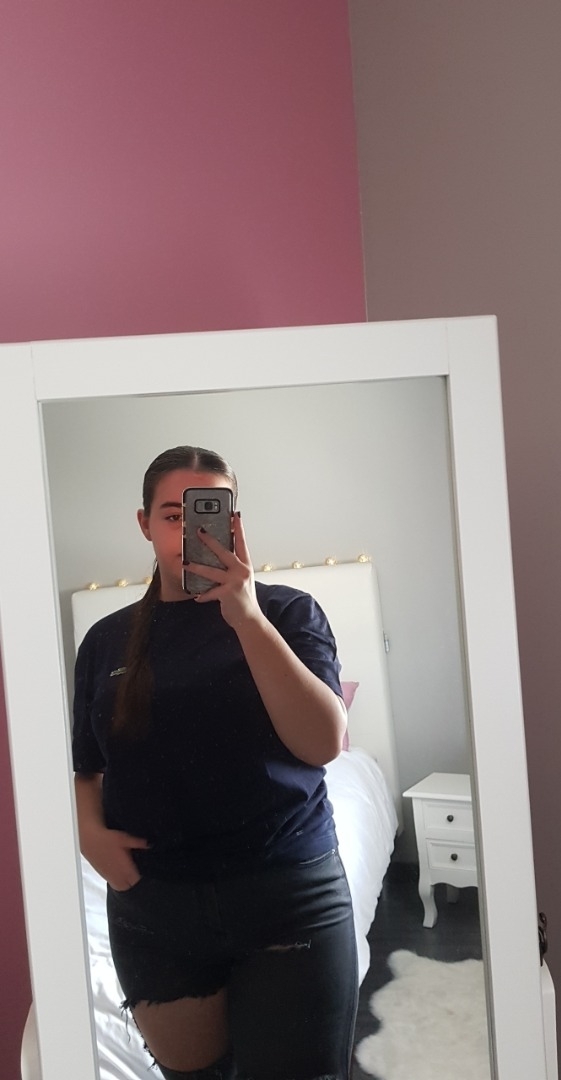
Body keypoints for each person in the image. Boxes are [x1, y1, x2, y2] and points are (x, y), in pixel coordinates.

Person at [73, 445, 358, 1080]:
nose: (189, 533)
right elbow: (85, 766)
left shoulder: (288, 612)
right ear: (144, 524)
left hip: (286, 895)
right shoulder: (105, 640)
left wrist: (246, 616)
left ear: (234, 523)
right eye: (172, 516)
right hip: (155, 908)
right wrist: (89, 832)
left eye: (206, 515)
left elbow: (322, 743)